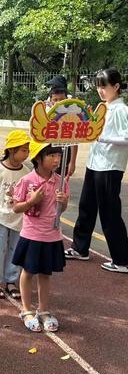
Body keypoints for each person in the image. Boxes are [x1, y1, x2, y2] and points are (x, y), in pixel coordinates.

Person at [65, 68, 128, 273]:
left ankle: (121, 259)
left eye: (105, 86)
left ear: (116, 87)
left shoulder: (121, 110)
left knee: (109, 212)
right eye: (99, 86)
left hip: (110, 166)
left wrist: (103, 138)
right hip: (95, 163)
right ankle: (80, 248)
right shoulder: (104, 108)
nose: (101, 90)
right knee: (86, 206)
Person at [12, 141, 68, 333]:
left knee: (46, 273)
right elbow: (16, 207)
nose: (56, 160)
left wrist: (64, 202)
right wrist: (32, 201)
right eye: (51, 156)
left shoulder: (61, 181)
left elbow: (61, 210)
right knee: (28, 271)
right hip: (32, 234)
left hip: (52, 234)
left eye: (58, 156)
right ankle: (26, 310)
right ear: (38, 158)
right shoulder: (27, 180)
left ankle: (43, 310)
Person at [0, 130, 31, 299]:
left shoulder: (26, 172)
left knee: (14, 249)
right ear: (12, 150)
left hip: (18, 218)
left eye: (27, 150)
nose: (26, 154)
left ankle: (12, 280)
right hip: (0, 217)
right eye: (23, 150)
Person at [44, 86, 78, 177]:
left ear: (67, 100)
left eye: (62, 99)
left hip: (64, 158)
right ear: (50, 101)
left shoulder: (71, 118)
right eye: (55, 99)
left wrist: (72, 162)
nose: (58, 102)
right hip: (47, 157)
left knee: (61, 184)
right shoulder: (45, 116)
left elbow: (74, 142)